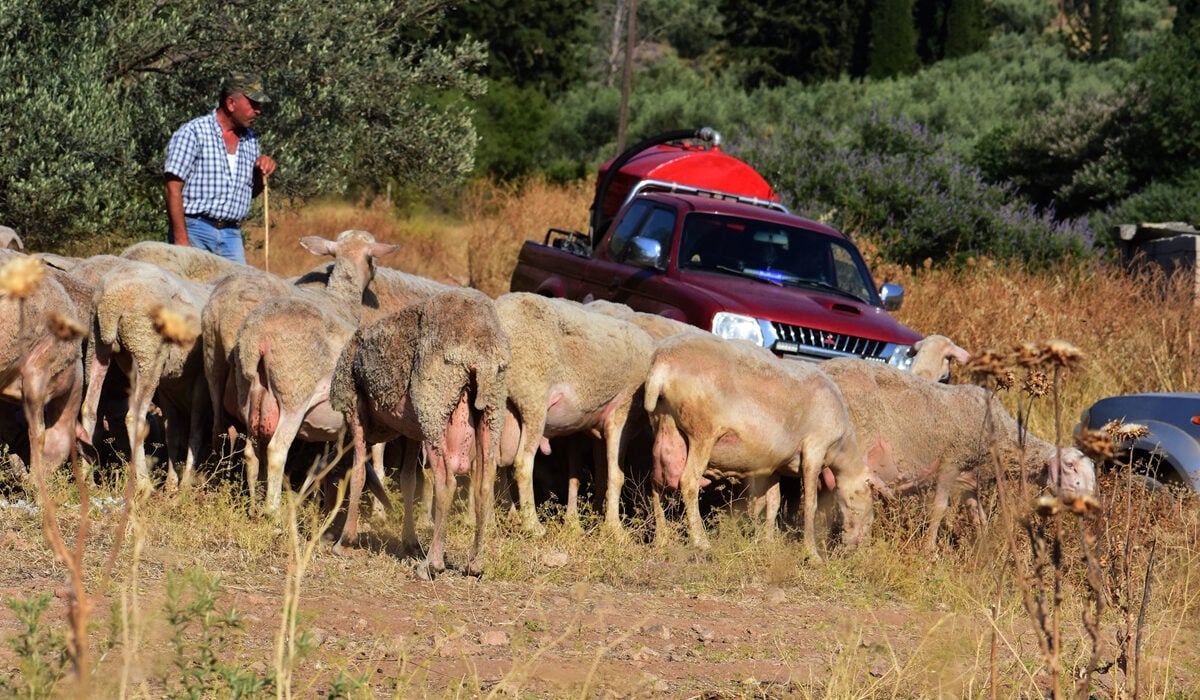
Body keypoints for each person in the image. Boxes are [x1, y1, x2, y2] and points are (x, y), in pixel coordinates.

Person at [164, 72, 277, 264]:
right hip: (195, 229)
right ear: (231, 103)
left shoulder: (251, 140)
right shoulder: (193, 132)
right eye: (253, 104)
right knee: (193, 291)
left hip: (231, 234)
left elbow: (250, 193)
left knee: (239, 291)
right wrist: (181, 240)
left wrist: (261, 173)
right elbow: (171, 188)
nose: (258, 111)